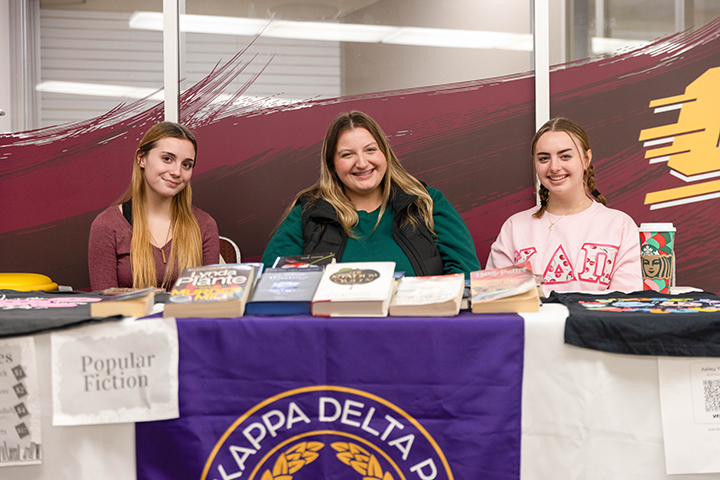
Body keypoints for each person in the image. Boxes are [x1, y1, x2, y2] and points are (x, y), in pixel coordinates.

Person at [261, 110, 480, 277]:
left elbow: (465, 275)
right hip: (334, 333)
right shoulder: (308, 214)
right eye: (347, 154)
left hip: (419, 329)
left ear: (385, 153)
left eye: (370, 150)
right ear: (332, 164)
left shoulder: (426, 203)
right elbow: (272, 281)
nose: (362, 163)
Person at [486, 117, 642, 295]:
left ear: (586, 159)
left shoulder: (619, 225)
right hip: (532, 324)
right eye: (544, 158)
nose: (554, 167)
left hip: (596, 323)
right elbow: (497, 299)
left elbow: (626, 303)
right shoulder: (514, 227)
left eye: (565, 156)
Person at [88, 122, 219, 291]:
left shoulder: (205, 225)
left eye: (186, 164)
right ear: (141, 159)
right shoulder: (107, 225)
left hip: (185, 318)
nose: (177, 172)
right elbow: (103, 302)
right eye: (167, 159)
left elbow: (211, 301)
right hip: (127, 318)